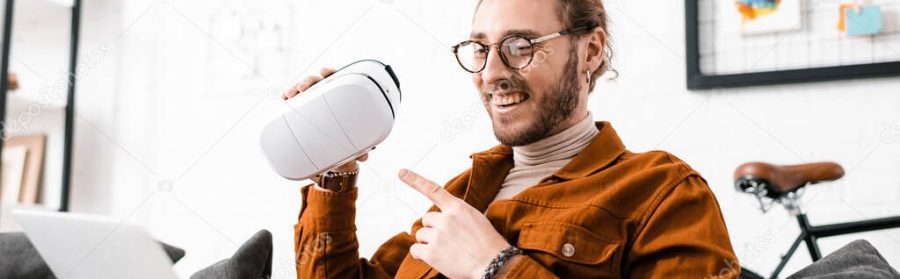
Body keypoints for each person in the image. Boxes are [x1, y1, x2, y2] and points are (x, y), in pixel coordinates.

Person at [284, 0, 739, 277]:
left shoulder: (662, 192)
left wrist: (496, 267)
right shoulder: (462, 195)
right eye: (480, 48)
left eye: (521, 46)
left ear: (591, 50)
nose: (492, 72)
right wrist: (334, 166)